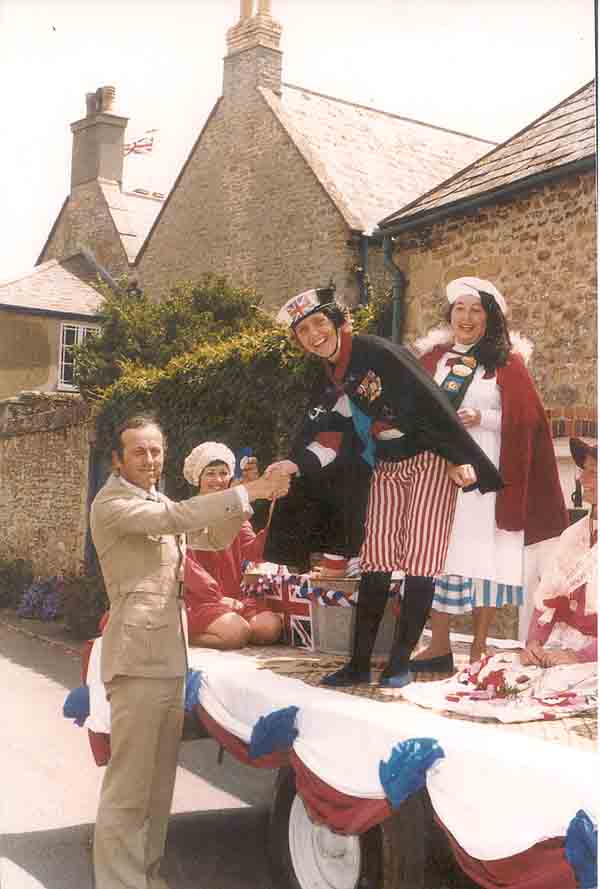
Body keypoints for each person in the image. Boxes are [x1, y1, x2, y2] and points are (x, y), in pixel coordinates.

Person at [266, 286, 503, 689]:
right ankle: (359, 663)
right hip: (387, 463)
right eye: (303, 330)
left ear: (341, 323)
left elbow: (431, 406)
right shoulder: (328, 375)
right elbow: (328, 434)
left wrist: (454, 456)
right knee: (376, 560)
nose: (314, 334)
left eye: (320, 323)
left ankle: (399, 663)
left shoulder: (379, 353)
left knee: (421, 559)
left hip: (429, 459)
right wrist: (293, 462)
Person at [89, 414, 289, 889]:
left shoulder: (156, 500)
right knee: (128, 791)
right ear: (117, 459)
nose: (150, 459)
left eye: (156, 450)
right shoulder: (113, 505)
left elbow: (211, 537)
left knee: (157, 790)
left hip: (168, 659)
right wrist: (248, 491)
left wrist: (243, 501)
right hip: (136, 661)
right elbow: (178, 519)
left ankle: (147, 877)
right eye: (139, 451)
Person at [411, 277, 567, 668]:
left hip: (489, 478)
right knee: (439, 552)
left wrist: (483, 417)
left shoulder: (506, 363)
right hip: (440, 475)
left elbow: (528, 418)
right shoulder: (434, 360)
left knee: (486, 557)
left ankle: (479, 647)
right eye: (460, 308)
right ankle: (440, 644)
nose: (466, 317)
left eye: (475, 310)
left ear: (489, 317)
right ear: (450, 314)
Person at [183, 441, 282, 649]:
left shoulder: (235, 514)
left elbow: (256, 553)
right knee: (236, 635)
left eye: (223, 473)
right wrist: (219, 599)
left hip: (233, 598)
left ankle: (229, 630)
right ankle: (182, 637)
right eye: (210, 473)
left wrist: (276, 512)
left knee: (270, 627)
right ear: (198, 478)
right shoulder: (188, 514)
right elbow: (185, 568)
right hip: (197, 600)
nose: (218, 480)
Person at [521, 437, 597, 667]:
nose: (581, 478)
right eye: (584, 470)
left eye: (593, 472)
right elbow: (548, 595)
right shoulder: (573, 535)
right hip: (567, 643)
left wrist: (581, 657)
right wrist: (534, 643)